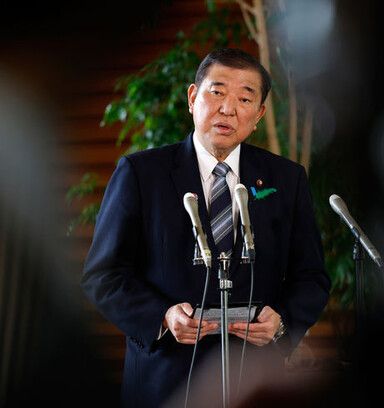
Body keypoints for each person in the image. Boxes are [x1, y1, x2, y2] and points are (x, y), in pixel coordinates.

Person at [81, 48, 331, 407]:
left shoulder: (286, 179)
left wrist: (282, 323)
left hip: (255, 380)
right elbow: (103, 275)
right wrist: (163, 317)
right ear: (192, 97)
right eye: (217, 92)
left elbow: (311, 276)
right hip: (166, 379)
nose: (228, 109)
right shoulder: (141, 173)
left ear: (259, 114)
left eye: (245, 98)